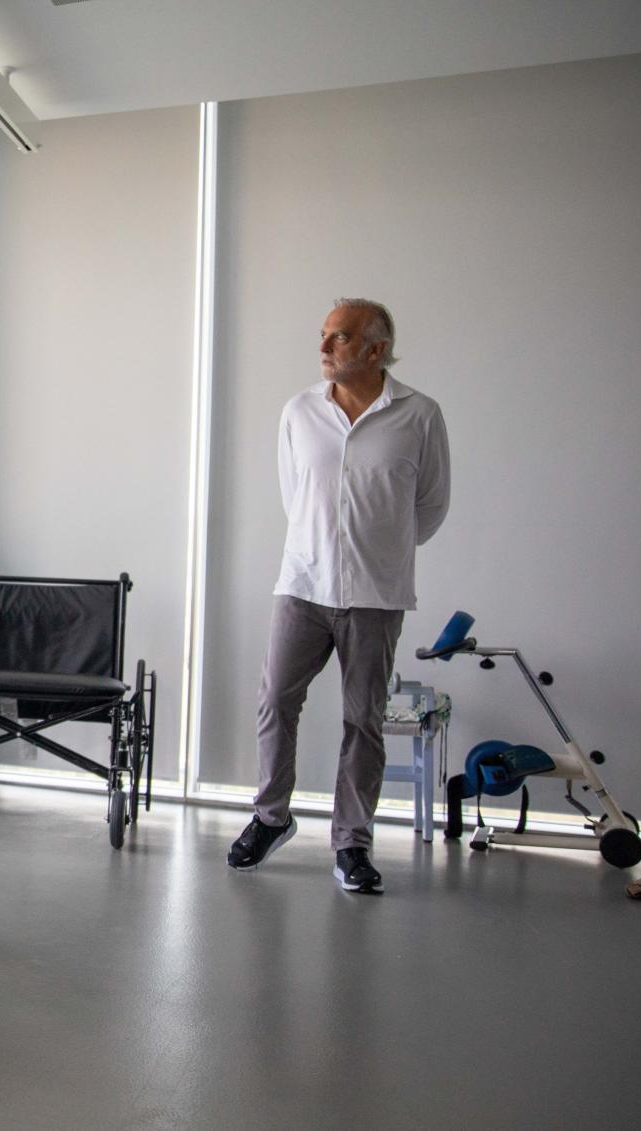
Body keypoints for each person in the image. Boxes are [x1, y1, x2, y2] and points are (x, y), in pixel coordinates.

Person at [227, 298, 450, 894]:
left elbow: (429, 506)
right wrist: (325, 547)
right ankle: (271, 817)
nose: (324, 348)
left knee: (363, 721)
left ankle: (352, 843)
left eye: (340, 338)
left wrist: (381, 551)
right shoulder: (299, 412)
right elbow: (293, 495)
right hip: (303, 584)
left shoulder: (420, 415)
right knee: (276, 699)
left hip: (377, 594)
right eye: (323, 336)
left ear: (376, 349)